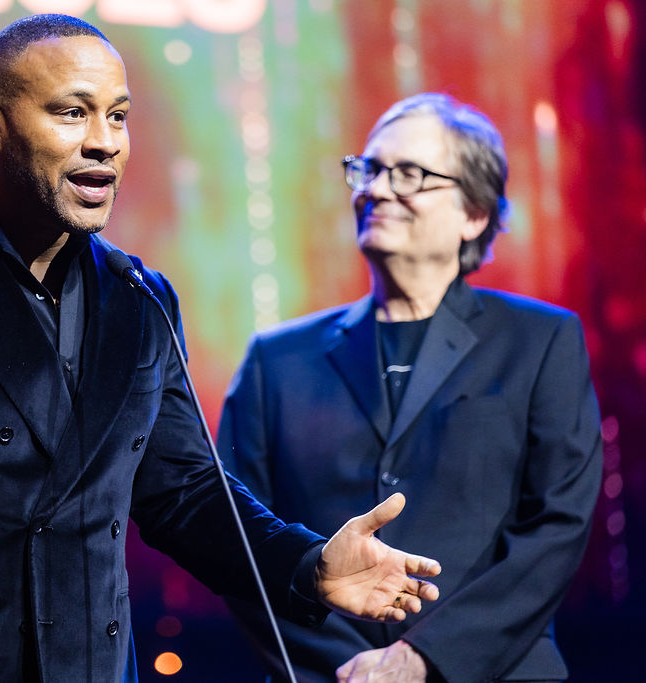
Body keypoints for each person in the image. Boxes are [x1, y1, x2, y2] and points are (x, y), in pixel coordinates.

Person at [0, 14, 441, 683]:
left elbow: (185, 492)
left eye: (118, 115)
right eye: (73, 113)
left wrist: (307, 565)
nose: (106, 142)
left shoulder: (140, 299)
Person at [219, 92, 602, 683]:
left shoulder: (540, 341)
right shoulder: (277, 360)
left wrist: (421, 660)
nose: (376, 189)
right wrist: (350, 670)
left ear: (475, 213)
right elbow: (236, 535)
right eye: (369, 170)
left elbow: (556, 529)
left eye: (409, 174)